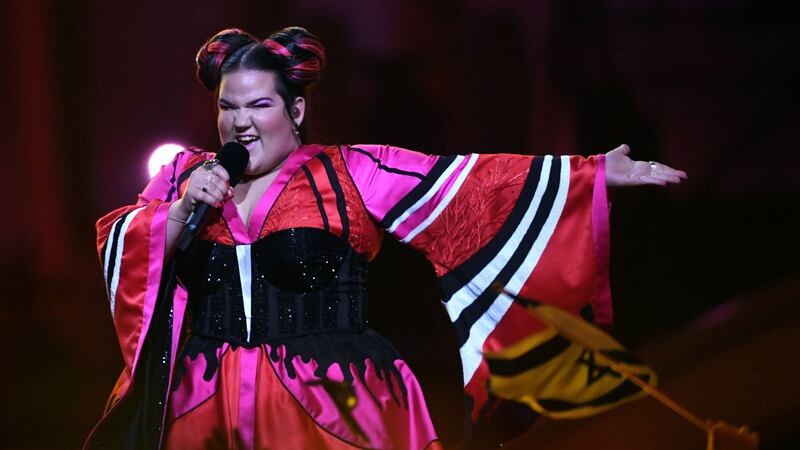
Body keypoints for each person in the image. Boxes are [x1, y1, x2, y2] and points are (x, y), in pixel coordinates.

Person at [85, 26, 687, 450]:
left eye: (259, 104)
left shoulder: (352, 170)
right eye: (228, 106)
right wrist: (184, 207)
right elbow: (124, 246)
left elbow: (469, 183)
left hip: (333, 403)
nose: (239, 121)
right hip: (202, 407)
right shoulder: (183, 177)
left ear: (295, 110)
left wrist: (591, 171)